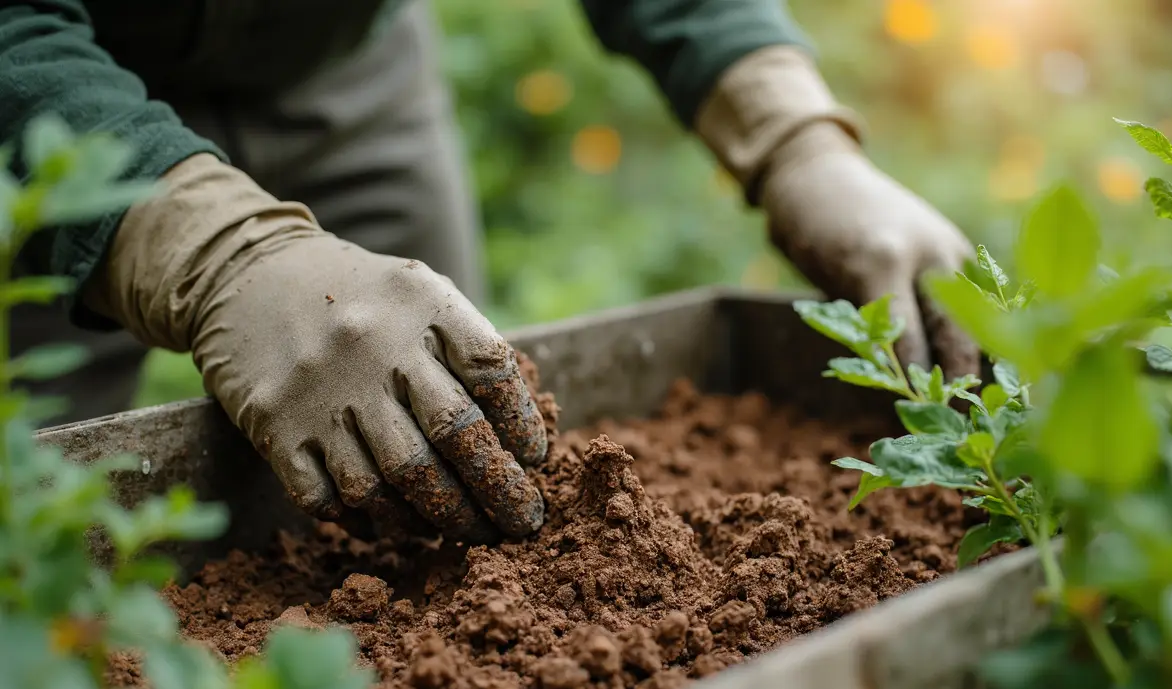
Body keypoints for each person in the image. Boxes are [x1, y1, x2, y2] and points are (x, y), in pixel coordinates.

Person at [0, 0, 979, 543]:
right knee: (36, 514)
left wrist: (793, 134)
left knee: (437, 430)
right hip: (34, 86)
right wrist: (221, 256)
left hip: (339, 66)